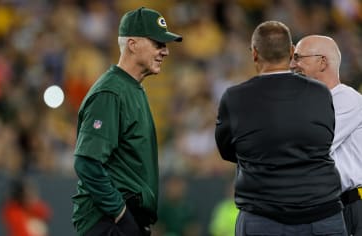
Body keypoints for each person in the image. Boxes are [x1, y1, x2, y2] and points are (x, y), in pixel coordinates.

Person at [214, 21, 347, 236]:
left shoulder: (234, 97)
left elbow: (227, 150)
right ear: (292, 51)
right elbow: (325, 139)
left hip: (262, 217)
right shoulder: (321, 93)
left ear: (255, 54)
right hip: (322, 215)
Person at [71, 7, 182, 236]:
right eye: (158, 44)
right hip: (107, 221)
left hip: (122, 219)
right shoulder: (111, 92)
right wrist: (120, 213)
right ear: (132, 44)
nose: (165, 52)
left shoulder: (131, 88)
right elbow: (86, 162)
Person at [291, 35, 362, 236]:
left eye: (299, 57)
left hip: (354, 205)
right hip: (326, 206)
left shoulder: (346, 99)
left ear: (322, 61)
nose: (293, 64)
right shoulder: (309, 104)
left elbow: (311, 147)